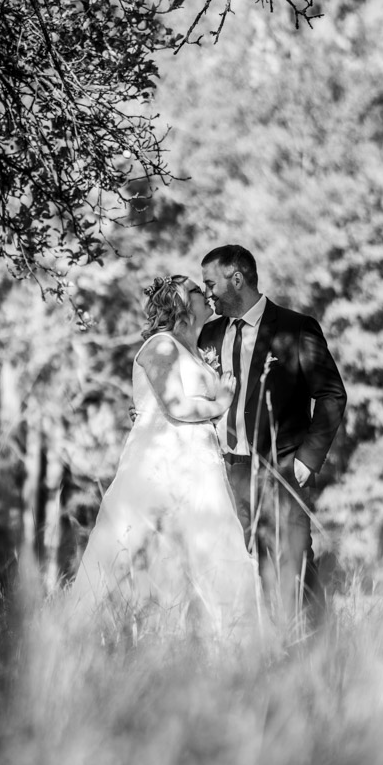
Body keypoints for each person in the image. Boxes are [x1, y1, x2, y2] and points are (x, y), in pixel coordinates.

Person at [70, 275, 262, 642]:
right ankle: (105, 640)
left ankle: (218, 644)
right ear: (182, 303)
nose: (206, 293)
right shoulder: (160, 344)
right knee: (140, 546)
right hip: (161, 463)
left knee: (209, 548)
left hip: (200, 466)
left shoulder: (194, 351)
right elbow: (175, 406)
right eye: (197, 290)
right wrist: (220, 402)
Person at [199, 245, 347, 630]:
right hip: (224, 474)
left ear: (237, 279)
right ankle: (255, 652)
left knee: (291, 568)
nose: (207, 293)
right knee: (232, 569)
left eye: (210, 284)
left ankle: (316, 651)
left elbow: (331, 395)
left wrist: (307, 459)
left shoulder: (296, 328)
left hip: (279, 472)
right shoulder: (208, 334)